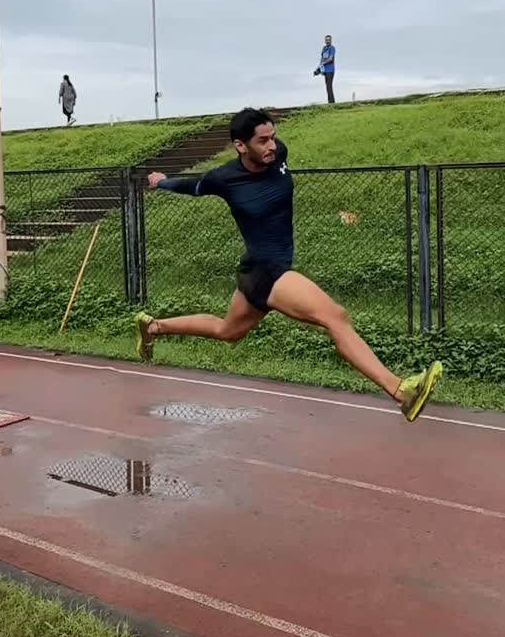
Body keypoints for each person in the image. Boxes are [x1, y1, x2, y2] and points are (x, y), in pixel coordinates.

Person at [136, 108, 442, 422]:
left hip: (256, 272)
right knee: (335, 317)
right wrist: (161, 182)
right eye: (262, 141)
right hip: (267, 271)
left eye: (273, 137)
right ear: (240, 146)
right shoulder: (224, 178)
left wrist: (271, 144)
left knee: (227, 331)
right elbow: (191, 186)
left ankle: (154, 327)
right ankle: (401, 391)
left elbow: (273, 152)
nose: (271, 145)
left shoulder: (278, 154)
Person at [314, 34, 336, 103]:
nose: (328, 41)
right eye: (326, 40)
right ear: (325, 41)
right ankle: (330, 101)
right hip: (325, 70)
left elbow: (330, 59)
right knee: (327, 86)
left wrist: (323, 63)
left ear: (331, 41)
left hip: (330, 70)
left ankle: (332, 102)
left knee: (329, 86)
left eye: (329, 40)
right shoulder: (324, 48)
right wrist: (318, 68)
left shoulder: (332, 48)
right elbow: (322, 59)